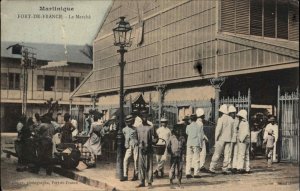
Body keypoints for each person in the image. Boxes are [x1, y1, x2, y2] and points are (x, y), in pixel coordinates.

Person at [209, 104, 233, 174]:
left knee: (217, 154)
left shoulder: (221, 119)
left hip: (221, 138)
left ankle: (212, 168)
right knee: (227, 154)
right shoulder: (231, 119)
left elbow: (218, 130)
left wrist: (216, 139)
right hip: (228, 138)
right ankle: (225, 168)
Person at [136, 110, 156, 188]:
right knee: (141, 165)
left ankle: (149, 182)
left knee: (149, 165)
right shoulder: (138, 128)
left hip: (149, 149)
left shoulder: (151, 127)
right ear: (141, 117)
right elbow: (135, 138)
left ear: (147, 117)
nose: (144, 118)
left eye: (145, 116)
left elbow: (156, 137)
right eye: (142, 116)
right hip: (141, 149)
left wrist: (154, 141)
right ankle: (141, 182)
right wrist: (137, 143)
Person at [121, 115, 139, 181]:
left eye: (131, 121)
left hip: (135, 144)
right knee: (126, 159)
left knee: (136, 159)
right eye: (128, 122)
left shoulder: (135, 129)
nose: (129, 123)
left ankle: (136, 174)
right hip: (128, 145)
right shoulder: (124, 129)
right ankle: (125, 175)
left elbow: (138, 137)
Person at [185, 113, 202, 178]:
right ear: (196, 119)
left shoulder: (188, 126)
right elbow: (200, 136)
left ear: (190, 119)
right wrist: (201, 145)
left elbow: (187, 133)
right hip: (196, 143)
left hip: (189, 143)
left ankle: (188, 173)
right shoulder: (199, 126)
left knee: (188, 158)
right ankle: (196, 173)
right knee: (196, 159)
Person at [236, 109, 251, 173]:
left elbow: (244, 133)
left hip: (243, 140)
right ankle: (247, 168)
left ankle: (240, 168)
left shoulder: (243, 122)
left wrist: (240, 139)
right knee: (247, 154)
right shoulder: (246, 122)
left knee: (241, 154)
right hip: (247, 140)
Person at [196, 108, 209, 172]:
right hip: (201, 139)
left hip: (198, 139)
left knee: (197, 153)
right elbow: (200, 133)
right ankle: (201, 166)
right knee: (203, 153)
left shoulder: (197, 122)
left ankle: (195, 165)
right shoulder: (200, 123)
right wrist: (204, 138)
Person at [227, 105, 239, 173]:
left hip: (236, 137)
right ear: (230, 113)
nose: (234, 114)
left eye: (234, 112)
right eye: (233, 113)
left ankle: (234, 166)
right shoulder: (228, 120)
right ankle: (229, 165)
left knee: (235, 152)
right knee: (229, 152)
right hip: (230, 138)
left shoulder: (237, 119)